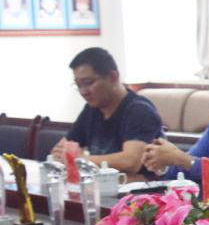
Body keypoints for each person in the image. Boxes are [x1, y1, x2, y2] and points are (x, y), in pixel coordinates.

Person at [54, 47, 163, 178]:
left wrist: (81, 159)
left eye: (88, 83)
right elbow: (60, 152)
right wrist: (68, 155)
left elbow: (131, 161)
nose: (83, 92)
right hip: (101, 186)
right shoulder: (91, 109)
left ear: (113, 77)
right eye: (78, 85)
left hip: (140, 189)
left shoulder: (140, 110)